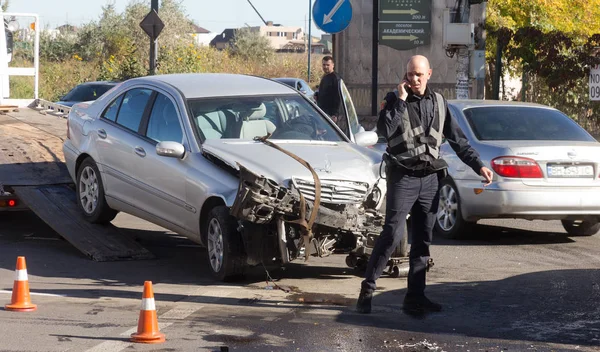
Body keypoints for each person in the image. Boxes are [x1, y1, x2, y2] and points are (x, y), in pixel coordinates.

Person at [356, 55, 494, 316]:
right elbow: (385, 129)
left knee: (422, 241)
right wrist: (400, 100)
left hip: (430, 179)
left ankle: (415, 298)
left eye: (419, 75)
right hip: (403, 177)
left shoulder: (440, 103)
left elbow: (459, 141)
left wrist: (479, 166)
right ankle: (367, 290)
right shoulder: (394, 99)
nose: (414, 79)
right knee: (392, 235)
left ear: (429, 74)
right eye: (410, 74)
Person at [316, 56, 345, 132]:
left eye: (328, 65)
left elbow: (338, 97)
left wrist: (334, 114)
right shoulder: (325, 77)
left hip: (330, 114)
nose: (325, 67)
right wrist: (317, 96)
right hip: (322, 112)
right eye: (324, 65)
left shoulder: (335, 78)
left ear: (333, 65)